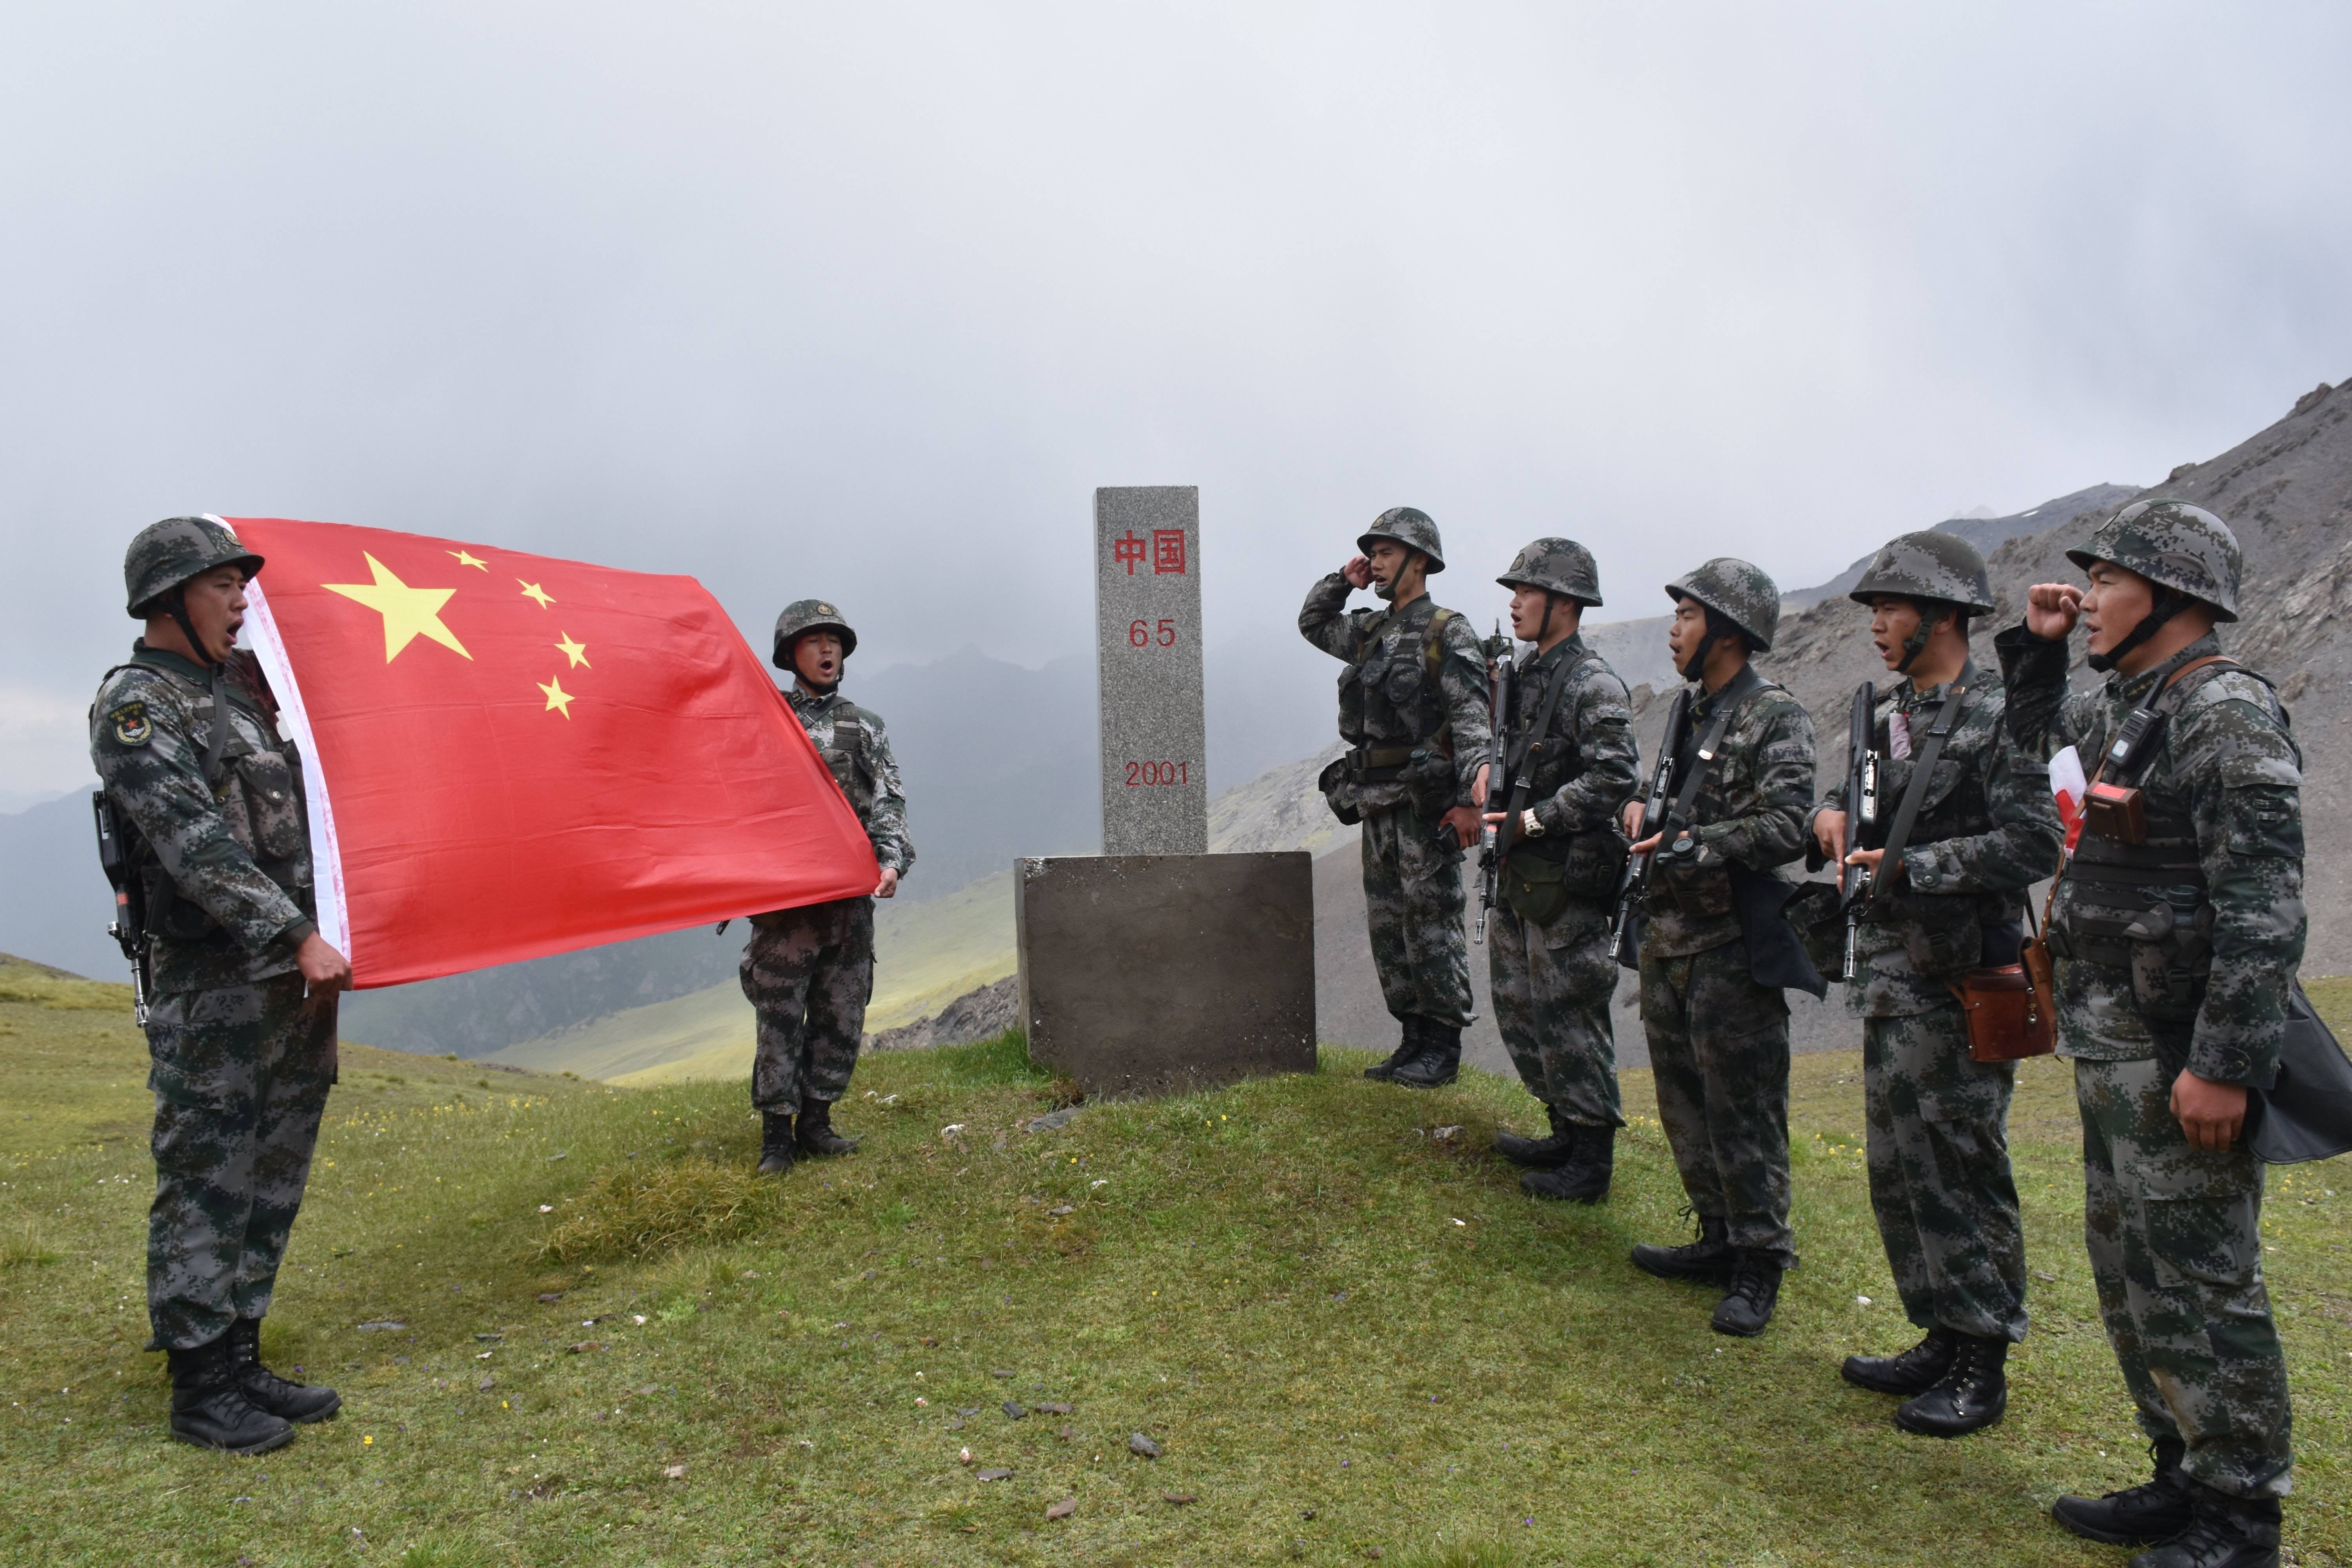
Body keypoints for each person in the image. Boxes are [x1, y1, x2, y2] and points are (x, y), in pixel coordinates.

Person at [2001, 501, 2298, 1568]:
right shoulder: (2136, 708)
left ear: (2172, 599)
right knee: (2134, 1270)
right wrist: (2036, 659)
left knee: (2207, 1278)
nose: (2086, 599)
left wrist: (2222, 1066)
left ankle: (2241, 1516)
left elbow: (2264, 908)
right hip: (2112, 1048)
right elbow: (2038, 762)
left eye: (2110, 582)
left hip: (2179, 1058)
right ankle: (2181, 1474)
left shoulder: (2225, 713)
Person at [91, 517, 353, 1454]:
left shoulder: (243, 698)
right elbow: (192, 843)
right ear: (167, 599)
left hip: (290, 981)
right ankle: (199, 1384)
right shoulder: (138, 704)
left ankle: (242, 1352)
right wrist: (296, 934)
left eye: (243, 584)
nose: (243, 599)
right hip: (213, 985)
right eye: (221, 586)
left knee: (275, 1166)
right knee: (208, 1171)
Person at [1808, 532, 2061, 1436]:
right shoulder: (1883, 712)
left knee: (1961, 1162)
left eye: (1894, 608)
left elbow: (2039, 841)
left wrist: (1915, 866)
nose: (1877, 624)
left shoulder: (2002, 713)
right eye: (1874, 609)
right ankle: (1940, 1330)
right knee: (1901, 1165)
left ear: (1945, 615)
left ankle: (1981, 1357)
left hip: (1962, 978)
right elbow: (1862, 803)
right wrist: (1831, 813)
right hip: (1891, 976)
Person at [1620, 558, 1814, 1336]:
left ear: (1729, 632)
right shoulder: (1686, 710)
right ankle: (1716, 1234)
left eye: (1688, 616)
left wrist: (1696, 841)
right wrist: (1640, 807)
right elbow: (1661, 793)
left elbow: (1788, 826)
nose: (1674, 629)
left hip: (1734, 943)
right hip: (1670, 937)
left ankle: (1760, 1260)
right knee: (1682, 1099)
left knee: (1743, 1105)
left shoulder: (1775, 715)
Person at [1300, 508, 1492, 1089]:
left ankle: (1443, 1047)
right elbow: (1313, 622)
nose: (1377, 563)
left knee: (1432, 922)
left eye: (1386, 553)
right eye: (1373, 553)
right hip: (1376, 802)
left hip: (1425, 804)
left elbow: (1471, 718)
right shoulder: (1370, 631)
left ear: (1420, 560)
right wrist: (1343, 579)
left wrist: (1473, 800)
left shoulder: (1446, 630)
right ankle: (1412, 1040)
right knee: (1390, 927)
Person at [1477, 539, 1640, 1201]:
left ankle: (1591, 1160)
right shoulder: (1525, 674)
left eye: (1527, 592)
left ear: (1564, 604)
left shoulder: (1590, 682)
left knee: (1571, 1014)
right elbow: (1498, 752)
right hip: (1521, 874)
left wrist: (1536, 819)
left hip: (1567, 879)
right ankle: (1563, 1128)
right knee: (1521, 1007)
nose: (1514, 603)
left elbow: (1615, 776)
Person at [741, 599, 913, 1175]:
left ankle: (817, 1124)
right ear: (790, 653)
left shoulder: (865, 726)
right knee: (781, 1015)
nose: (827, 651)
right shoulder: (763, 719)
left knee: (842, 1012)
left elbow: (889, 802)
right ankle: (776, 1139)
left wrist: (890, 862)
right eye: (814, 642)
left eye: (834, 642)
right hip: (786, 906)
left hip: (847, 904)